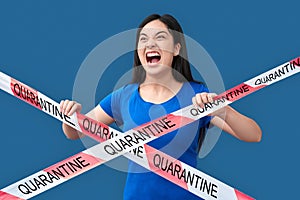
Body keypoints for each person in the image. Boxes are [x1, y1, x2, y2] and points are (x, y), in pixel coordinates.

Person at [60, 14, 262, 200]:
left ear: (176, 48)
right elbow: (75, 133)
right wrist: (69, 117)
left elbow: (254, 135)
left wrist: (222, 109)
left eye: (160, 37)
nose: (150, 44)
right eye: (143, 39)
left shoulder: (197, 96)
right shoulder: (123, 97)